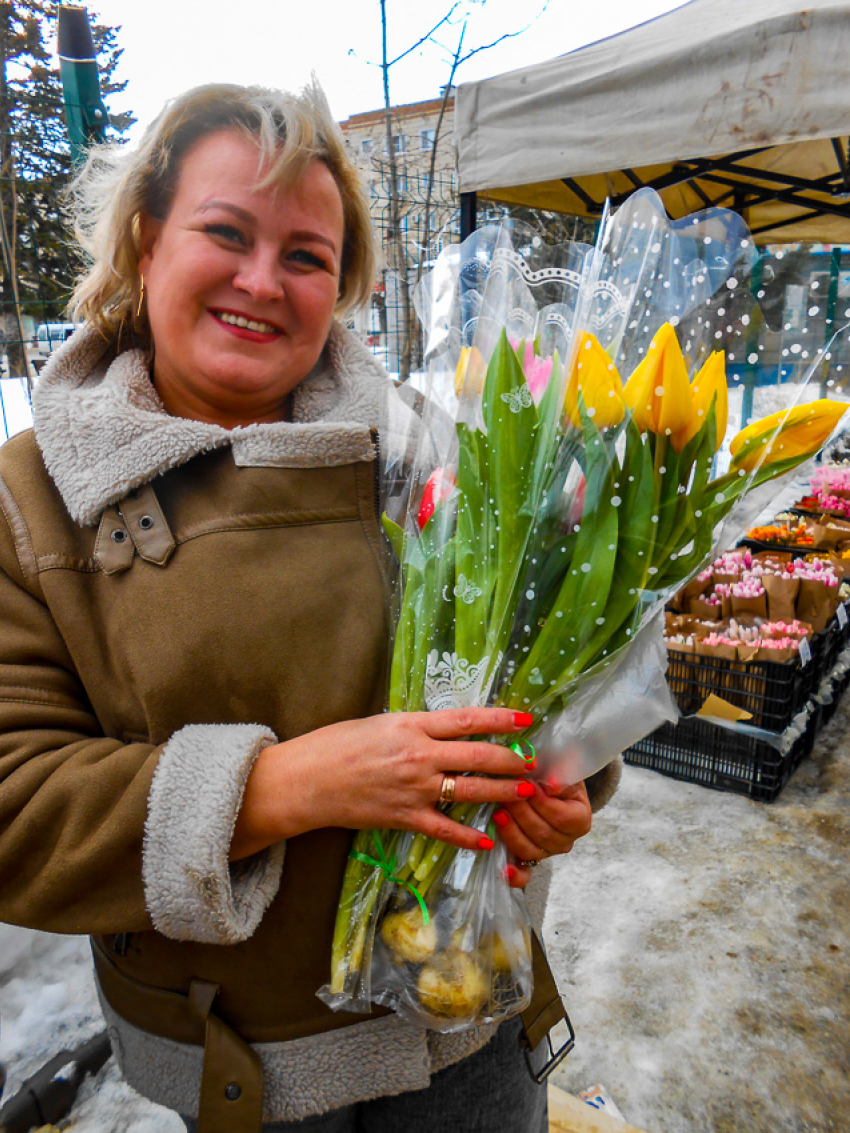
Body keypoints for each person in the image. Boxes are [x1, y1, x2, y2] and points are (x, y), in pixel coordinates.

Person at [0, 82, 621, 1132]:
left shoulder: (435, 451)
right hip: (251, 1066)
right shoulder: (35, 495)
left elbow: (540, 670)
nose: (261, 280)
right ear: (146, 239)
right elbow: (17, 810)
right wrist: (286, 782)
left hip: (465, 1015)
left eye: (304, 256)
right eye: (225, 232)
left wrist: (565, 778)